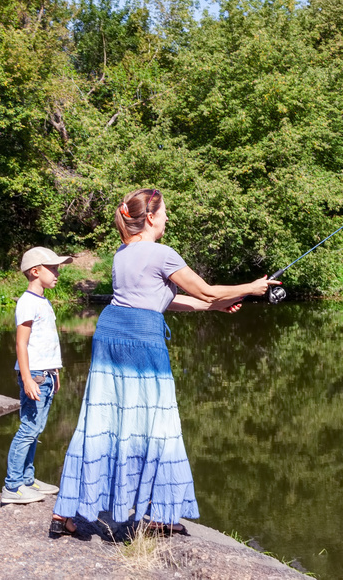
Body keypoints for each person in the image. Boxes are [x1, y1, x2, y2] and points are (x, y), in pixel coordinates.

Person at [50, 188, 279, 538]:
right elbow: (206, 290)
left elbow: (160, 300)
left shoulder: (122, 253)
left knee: (102, 418)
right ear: (152, 217)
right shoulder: (162, 253)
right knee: (158, 422)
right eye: (166, 212)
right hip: (142, 339)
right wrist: (252, 286)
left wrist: (215, 305)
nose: (168, 218)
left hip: (110, 332)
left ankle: (67, 511)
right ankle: (158, 514)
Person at [1, 246, 73, 505]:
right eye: (52, 268)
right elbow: (21, 344)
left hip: (46, 375)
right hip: (35, 376)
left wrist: (54, 372)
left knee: (36, 429)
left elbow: (46, 344)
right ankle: (12, 486)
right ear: (35, 271)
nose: (57, 273)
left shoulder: (43, 301)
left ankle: (26, 480)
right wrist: (29, 377)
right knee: (28, 429)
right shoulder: (28, 302)